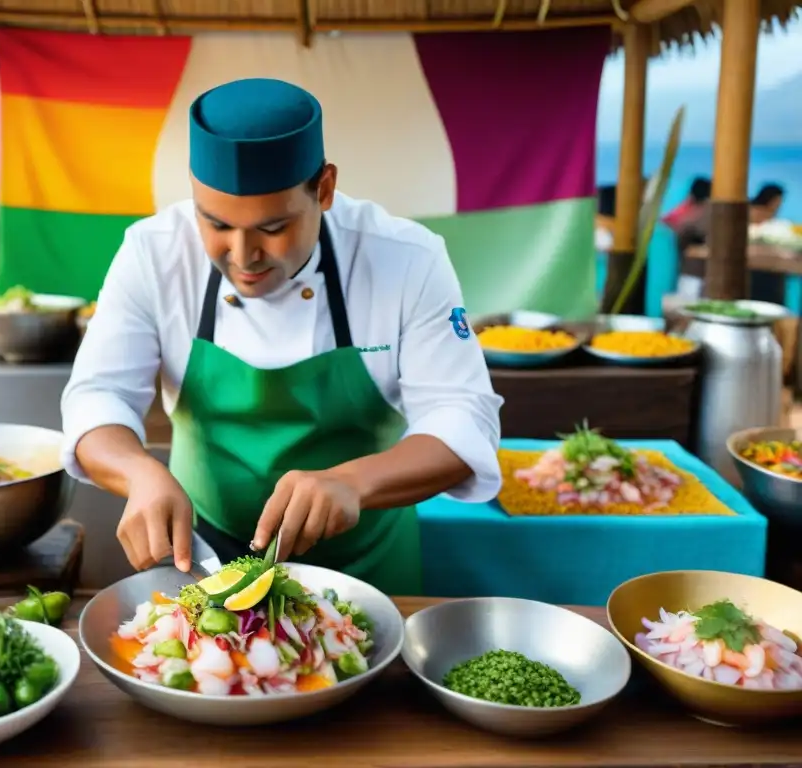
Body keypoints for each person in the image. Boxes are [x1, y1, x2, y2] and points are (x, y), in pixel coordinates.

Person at [61, 78, 504, 595]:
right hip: (203, 565)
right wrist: (138, 473)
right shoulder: (152, 253)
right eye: (216, 223)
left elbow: (462, 418)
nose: (243, 255)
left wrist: (354, 482)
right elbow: (98, 396)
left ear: (326, 189)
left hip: (371, 572)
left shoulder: (406, 259)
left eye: (272, 228)